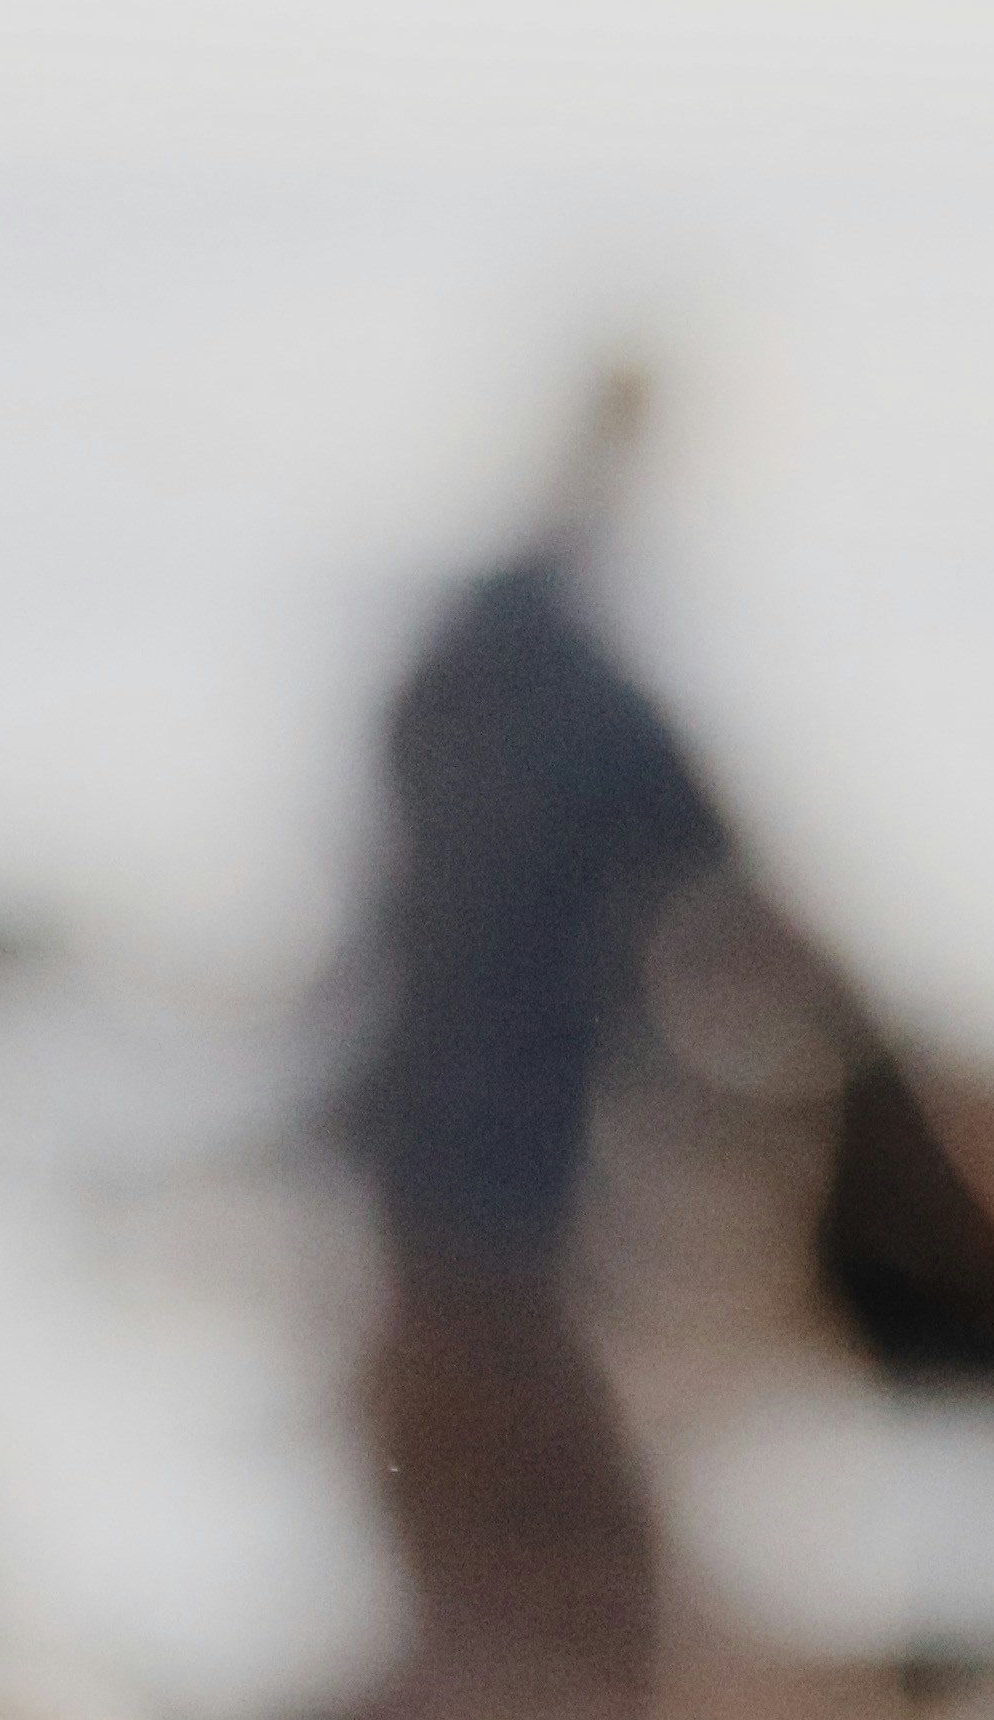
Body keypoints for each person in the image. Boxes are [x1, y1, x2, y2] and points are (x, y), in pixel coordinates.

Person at [343, 369, 731, 1720]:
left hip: (399, 1185)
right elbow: (744, 887)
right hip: (526, 1210)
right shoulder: (587, 676)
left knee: (467, 1593)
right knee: (610, 1599)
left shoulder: (448, 654)